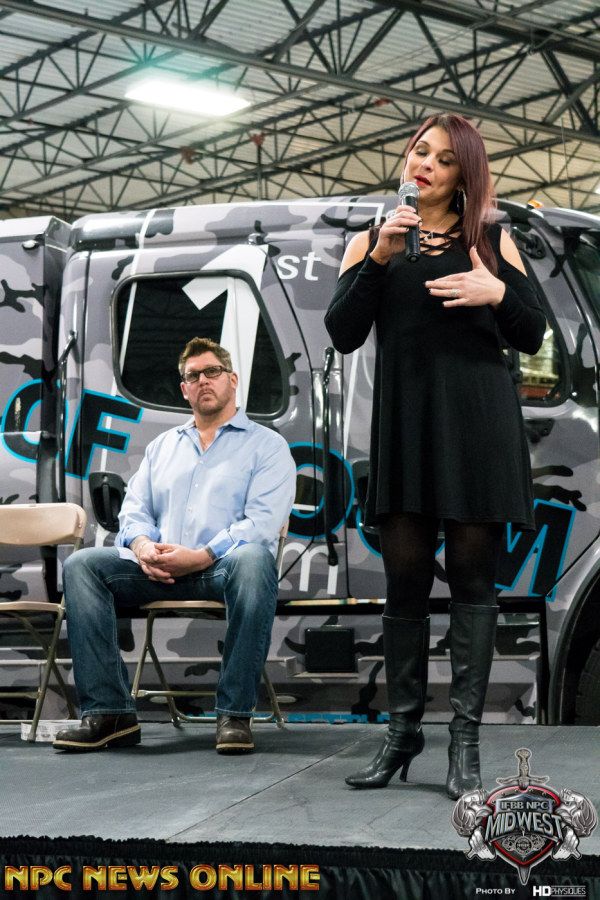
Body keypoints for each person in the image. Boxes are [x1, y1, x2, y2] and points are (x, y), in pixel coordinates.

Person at [325, 113, 545, 800]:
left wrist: (496, 292)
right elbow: (342, 332)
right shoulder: (371, 240)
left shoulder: (492, 240)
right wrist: (380, 258)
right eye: (421, 151)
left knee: (474, 584)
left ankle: (465, 743)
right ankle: (402, 733)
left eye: (445, 159)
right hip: (406, 430)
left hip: (477, 428)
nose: (426, 165)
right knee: (405, 583)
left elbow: (533, 332)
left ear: (463, 175)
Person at [53, 337, 296, 754]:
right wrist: (143, 547)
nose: (203, 381)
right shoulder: (162, 447)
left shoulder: (267, 446)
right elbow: (133, 513)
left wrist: (201, 556)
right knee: (83, 565)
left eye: (212, 372)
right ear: (184, 389)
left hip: (222, 569)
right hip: (160, 569)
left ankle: (234, 714)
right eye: (193, 376)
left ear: (233, 380)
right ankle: (111, 714)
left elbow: (261, 523)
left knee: (256, 559)